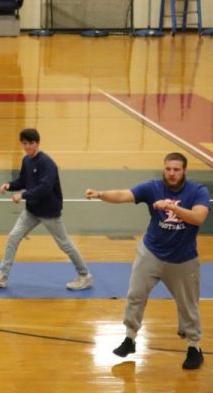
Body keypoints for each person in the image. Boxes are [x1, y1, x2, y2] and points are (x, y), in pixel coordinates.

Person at [85, 152, 209, 370]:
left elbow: (198, 217)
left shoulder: (198, 191)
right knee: (135, 295)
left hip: (183, 259)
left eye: (176, 169)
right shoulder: (152, 188)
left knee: (188, 305)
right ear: (164, 169)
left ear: (184, 171)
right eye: (168, 169)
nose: (171, 173)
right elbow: (124, 195)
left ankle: (193, 347)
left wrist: (171, 207)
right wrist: (100, 194)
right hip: (151, 253)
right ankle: (130, 338)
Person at [0, 128, 92, 290]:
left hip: (49, 212)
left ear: (37, 143)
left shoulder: (47, 163)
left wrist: (23, 195)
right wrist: (10, 185)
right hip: (32, 211)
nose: (28, 147)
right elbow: (23, 180)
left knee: (65, 244)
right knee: (14, 236)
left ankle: (84, 276)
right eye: (25, 144)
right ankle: (2, 276)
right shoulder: (27, 160)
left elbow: (44, 188)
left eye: (31, 144)